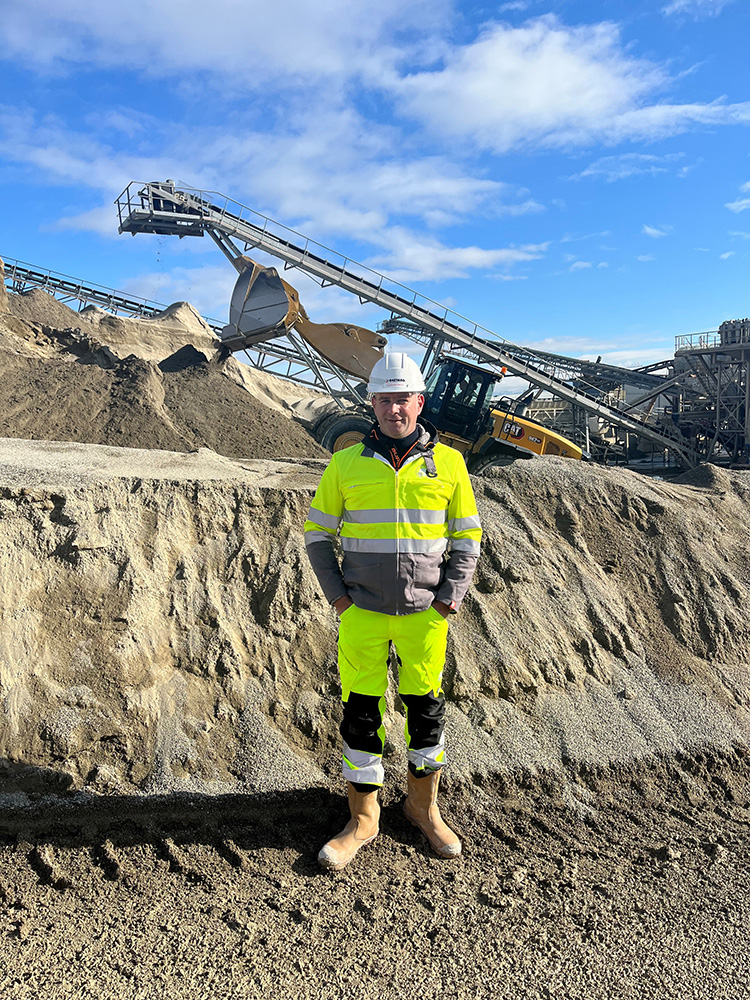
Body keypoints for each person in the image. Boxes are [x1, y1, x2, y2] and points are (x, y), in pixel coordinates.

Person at [304, 352, 482, 871]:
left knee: (425, 714)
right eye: (384, 399)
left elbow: (467, 537)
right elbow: (318, 534)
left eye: (402, 398)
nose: (393, 408)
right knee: (362, 713)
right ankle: (363, 818)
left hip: (426, 615)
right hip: (361, 613)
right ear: (373, 404)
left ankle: (423, 808)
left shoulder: (448, 464)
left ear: (418, 402)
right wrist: (339, 598)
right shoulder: (345, 463)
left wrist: (449, 597)